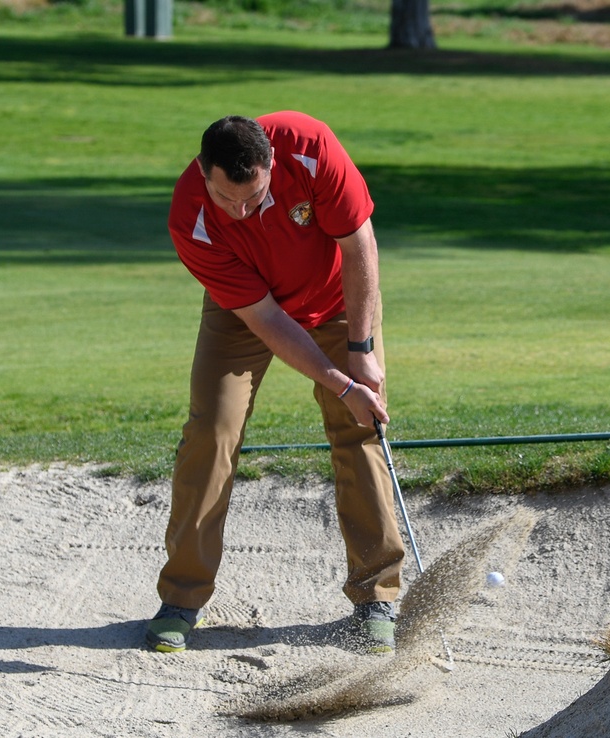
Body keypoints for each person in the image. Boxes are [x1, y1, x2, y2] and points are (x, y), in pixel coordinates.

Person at [145, 111, 405, 654]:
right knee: (212, 430)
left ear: (271, 166)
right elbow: (267, 322)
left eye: (253, 197)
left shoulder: (309, 147)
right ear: (203, 171)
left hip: (339, 301)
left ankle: (377, 594)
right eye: (226, 199)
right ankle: (183, 597)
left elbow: (360, 246)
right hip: (247, 312)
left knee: (358, 424)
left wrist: (361, 352)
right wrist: (340, 382)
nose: (240, 210)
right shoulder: (191, 216)